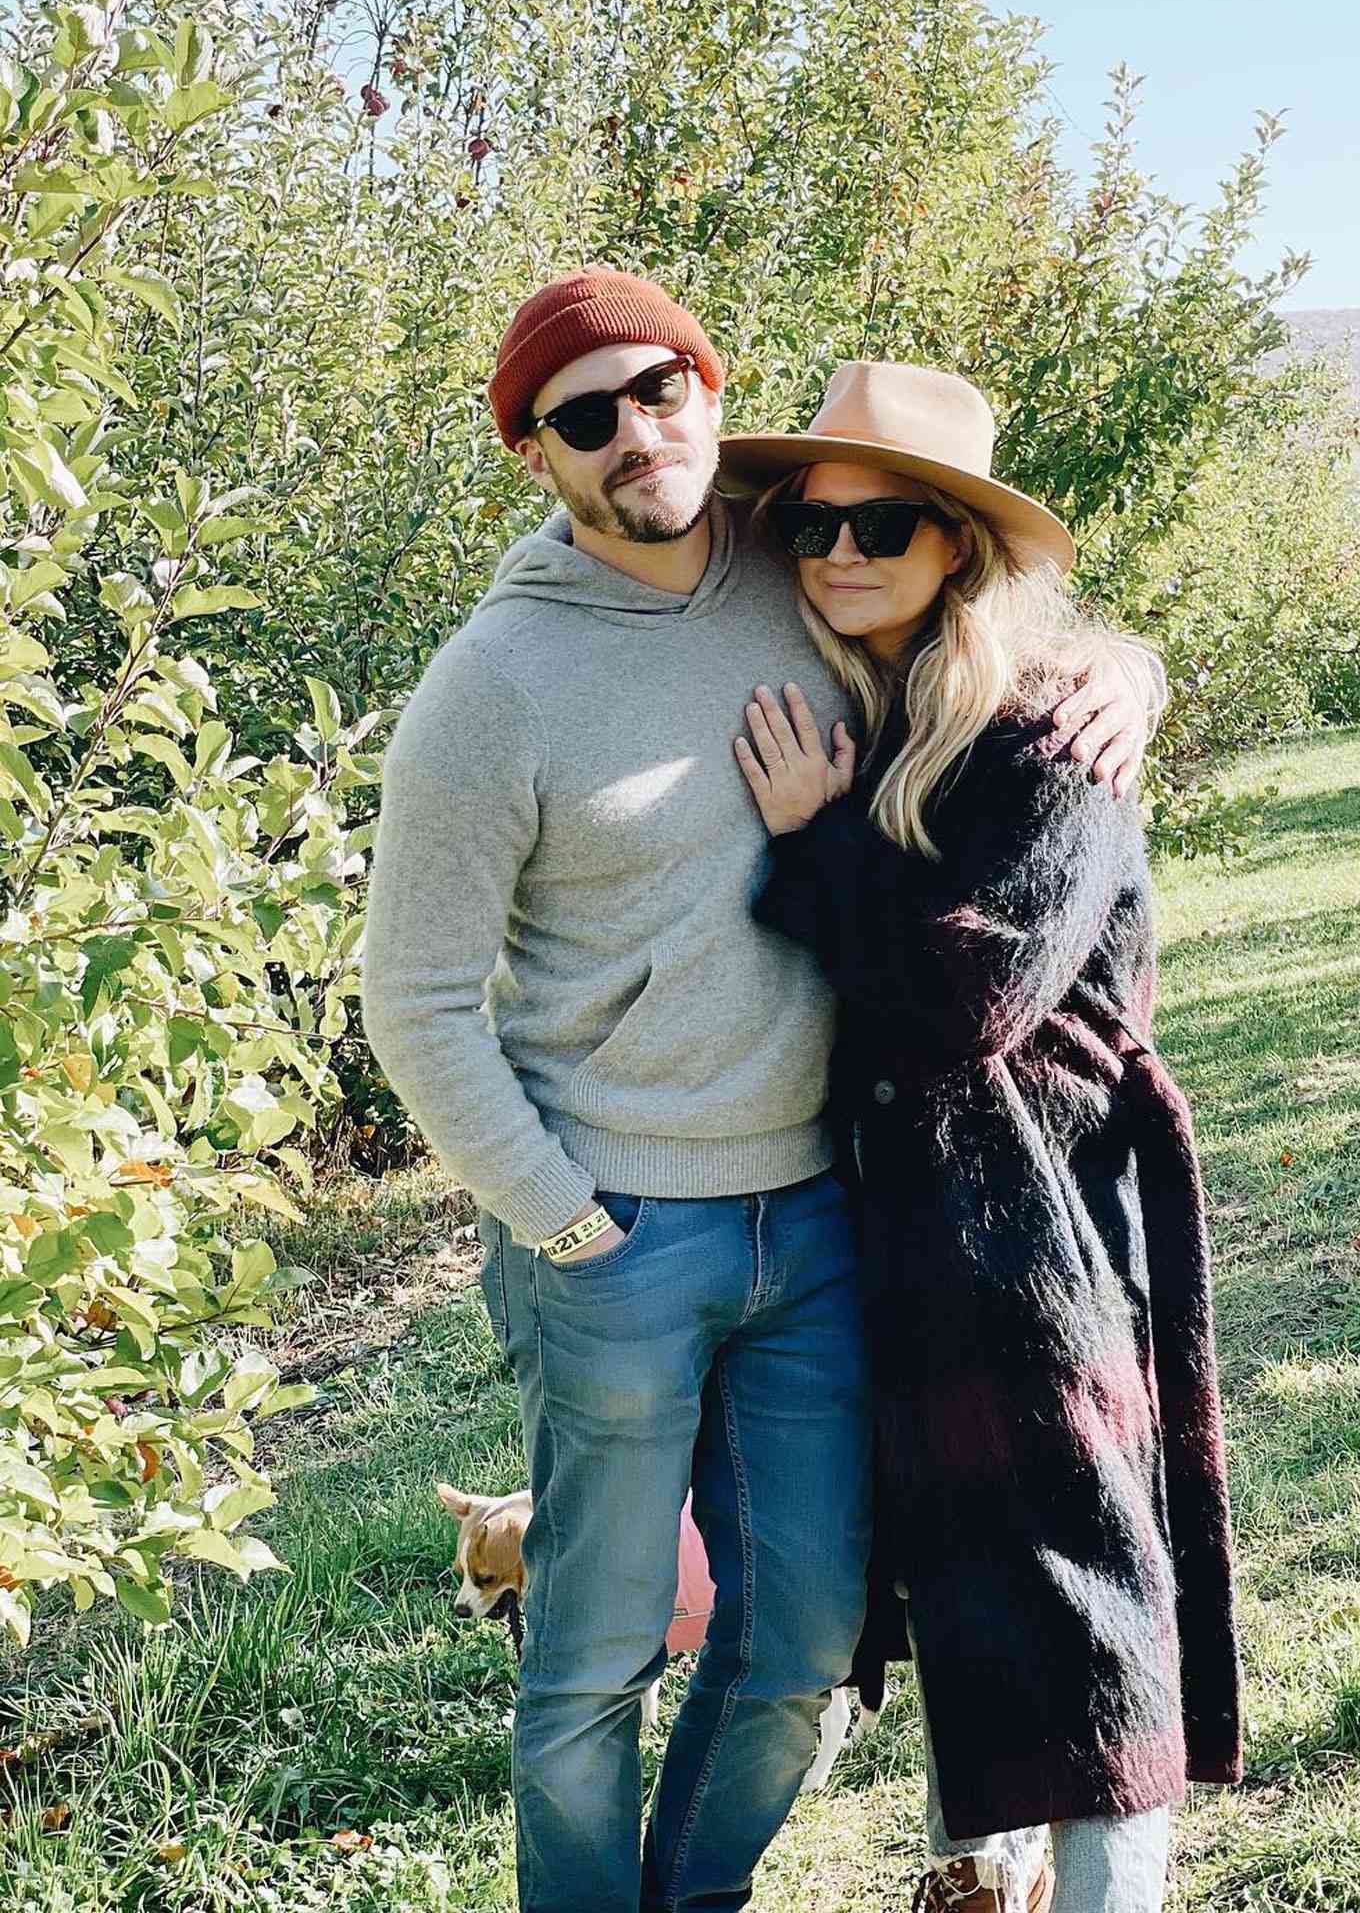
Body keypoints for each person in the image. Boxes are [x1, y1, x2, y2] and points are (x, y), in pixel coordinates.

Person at [360, 269, 1161, 1913]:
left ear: (712, 397)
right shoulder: (491, 690)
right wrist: (565, 1220)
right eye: (582, 418)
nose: (633, 434)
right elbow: (416, 999)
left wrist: (1126, 667)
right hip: (619, 1230)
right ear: (536, 456)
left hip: (823, 1217)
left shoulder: (792, 560)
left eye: (660, 391)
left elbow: (972, 603)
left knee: (799, 1646)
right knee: (589, 1663)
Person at [724, 361, 1242, 1913]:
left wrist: (814, 846)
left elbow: (973, 990)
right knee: (948, 1552)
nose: (838, 553)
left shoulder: (1045, 740)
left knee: (1082, 1575)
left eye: (886, 523)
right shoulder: (866, 715)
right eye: (812, 529)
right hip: (900, 1221)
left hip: (1041, 1223)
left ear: (959, 545)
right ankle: (981, 1868)